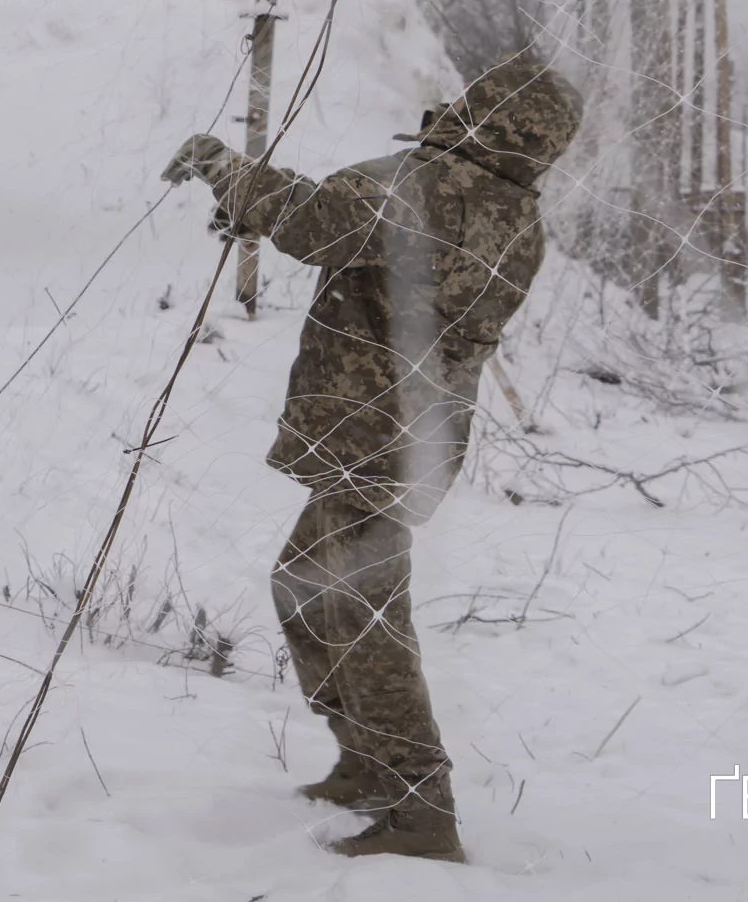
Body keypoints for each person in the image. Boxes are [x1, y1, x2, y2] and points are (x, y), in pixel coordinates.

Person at [162, 54, 581, 861]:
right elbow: (356, 241)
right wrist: (263, 208)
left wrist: (223, 169)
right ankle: (368, 762)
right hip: (411, 441)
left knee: (364, 618)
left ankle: (421, 806)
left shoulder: (426, 184)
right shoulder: (516, 216)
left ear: (487, 112)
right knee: (305, 583)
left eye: (473, 96)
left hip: (370, 436)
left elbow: (318, 221)